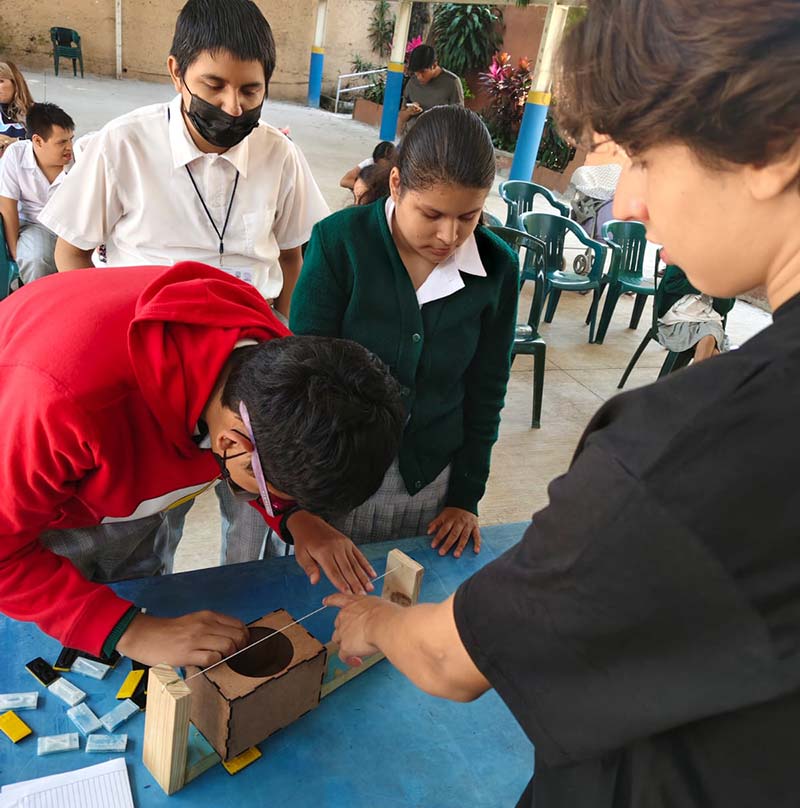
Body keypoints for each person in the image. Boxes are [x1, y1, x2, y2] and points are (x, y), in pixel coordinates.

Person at [325, 1, 800, 806]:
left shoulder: (699, 449)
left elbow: (449, 660)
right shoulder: (345, 245)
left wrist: (373, 621)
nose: (627, 207)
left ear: (773, 147)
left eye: (644, 159)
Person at [38, 0, 330, 567]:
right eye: (214, 85)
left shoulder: (279, 154)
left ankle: (246, 604)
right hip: (153, 372)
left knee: (256, 507)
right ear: (176, 72)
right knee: (151, 524)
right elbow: (69, 252)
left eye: (250, 91)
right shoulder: (122, 145)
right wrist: (108, 342)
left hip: (251, 366)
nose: (232, 106)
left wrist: (283, 337)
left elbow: (294, 256)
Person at [0, 262, 405, 666]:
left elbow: (259, 456)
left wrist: (295, 517)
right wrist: (129, 630)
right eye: (264, 492)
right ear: (228, 442)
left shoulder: (281, 363)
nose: (267, 500)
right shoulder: (59, 407)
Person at [292, 106, 518, 558]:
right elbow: (303, 381)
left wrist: (465, 497)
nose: (449, 235)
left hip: (431, 485)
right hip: (336, 477)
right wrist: (303, 508)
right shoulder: (340, 243)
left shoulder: (497, 269)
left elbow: (486, 391)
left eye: (469, 217)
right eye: (431, 214)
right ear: (395, 184)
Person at [0, 103, 74, 284]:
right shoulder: (15, 155)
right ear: (38, 141)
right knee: (34, 259)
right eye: (62, 142)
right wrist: (16, 251)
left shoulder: (80, 158)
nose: (70, 147)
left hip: (72, 225)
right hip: (35, 224)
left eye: (71, 139)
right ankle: (39, 308)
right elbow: (8, 207)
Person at [657, 263, 734, 362]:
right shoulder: (684, 254)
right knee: (713, 353)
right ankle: (691, 377)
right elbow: (670, 284)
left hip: (709, 318)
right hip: (678, 316)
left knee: (710, 339)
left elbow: (724, 307)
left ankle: (689, 377)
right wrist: (703, 283)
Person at [398, 45, 464, 134]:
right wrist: (408, 112)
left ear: (434, 65)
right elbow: (402, 117)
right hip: (410, 138)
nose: (419, 77)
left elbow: (459, 118)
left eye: (423, 72)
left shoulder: (452, 83)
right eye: (416, 74)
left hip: (435, 140)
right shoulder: (412, 82)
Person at [0, 61, 33, 143]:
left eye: (0, 81)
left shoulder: (36, 112)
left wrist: (14, 141)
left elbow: (45, 144)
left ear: (15, 83)